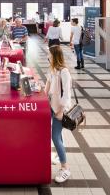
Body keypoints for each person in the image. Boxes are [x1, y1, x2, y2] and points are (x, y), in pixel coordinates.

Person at [45, 44, 72, 183]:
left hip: (60, 109)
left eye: (49, 54)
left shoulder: (64, 72)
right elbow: (48, 86)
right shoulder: (52, 69)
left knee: (55, 137)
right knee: (56, 136)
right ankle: (57, 157)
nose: (47, 56)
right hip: (51, 106)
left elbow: (66, 94)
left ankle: (65, 168)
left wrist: (60, 111)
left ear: (55, 55)